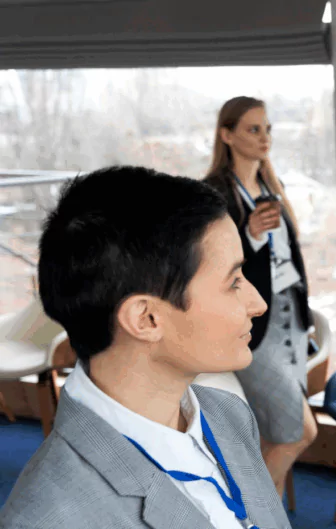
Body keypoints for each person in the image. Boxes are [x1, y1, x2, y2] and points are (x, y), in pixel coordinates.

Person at [0, 166, 291, 528]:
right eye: (233, 282)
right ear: (146, 319)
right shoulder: (48, 518)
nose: (258, 303)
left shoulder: (228, 415)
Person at [203, 96, 318, 496]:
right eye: (253, 129)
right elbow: (212, 265)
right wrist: (249, 234)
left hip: (290, 315)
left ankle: (272, 519)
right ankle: (252, 516)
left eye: (267, 128)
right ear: (227, 135)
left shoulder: (270, 183)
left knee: (275, 434)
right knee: (298, 431)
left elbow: (291, 255)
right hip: (253, 322)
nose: (264, 137)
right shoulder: (214, 193)